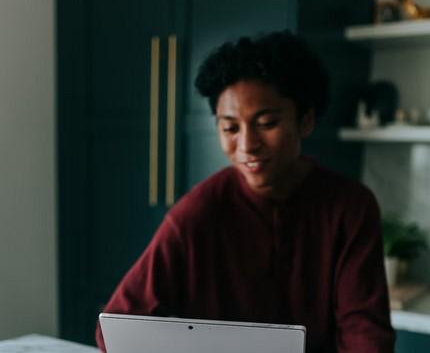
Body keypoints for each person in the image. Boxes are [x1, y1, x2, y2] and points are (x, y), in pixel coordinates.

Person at [95, 31, 395, 352]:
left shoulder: (349, 207)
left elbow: (365, 332)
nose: (247, 145)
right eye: (230, 128)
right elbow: (117, 325)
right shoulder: (197, 213)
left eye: (266, 123)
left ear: (305, 120)